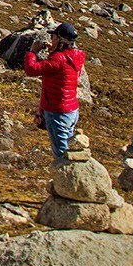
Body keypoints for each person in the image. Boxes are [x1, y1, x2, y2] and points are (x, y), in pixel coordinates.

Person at [23, 22, 86, 162]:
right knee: (68, 148)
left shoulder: (59, 58)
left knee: (61, 155)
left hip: (58, 111)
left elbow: (31, 69)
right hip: (71, 109)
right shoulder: (75, 55)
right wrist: (54, 50)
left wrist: (32, 52)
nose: (51, 39)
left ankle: (67, 180)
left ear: (61, 40)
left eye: (54, 37)